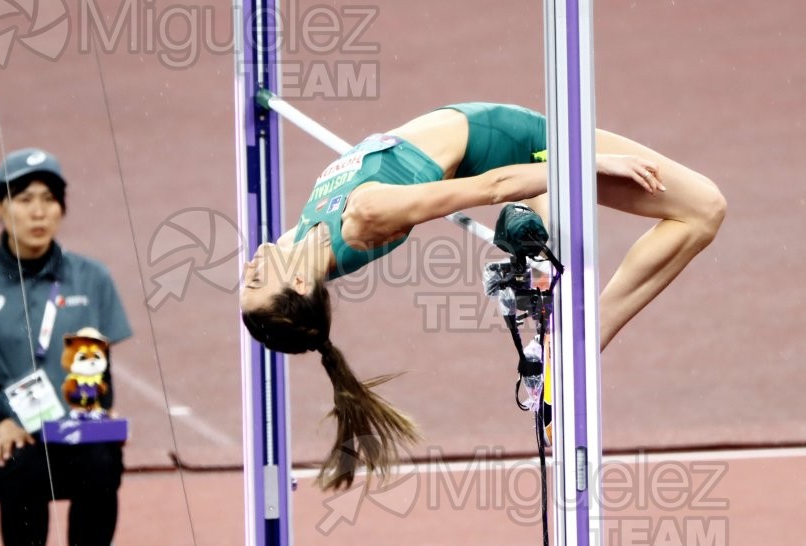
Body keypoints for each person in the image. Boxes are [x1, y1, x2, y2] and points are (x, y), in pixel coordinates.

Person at [240, 102, 726, 490]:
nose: (249, 268)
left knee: (553, 250)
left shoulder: (295, 244)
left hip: (498, 156)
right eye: (257, 281)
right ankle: (581, 345)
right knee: (703, 208)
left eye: (247, 280)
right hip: (519, 146)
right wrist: (588, 164)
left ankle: (569, 342)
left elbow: (287, 305)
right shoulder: (364, 217)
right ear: (300, 286)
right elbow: (493, 186)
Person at [0, 148, 133, 546]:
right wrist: (0, 425)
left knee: (103, 461)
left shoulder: (92, 278)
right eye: (24, 200)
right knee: (24, 466)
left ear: (61, 208)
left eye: (48, 200)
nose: (38, 213)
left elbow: (98, 367)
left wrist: (100, 414)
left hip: (66, 429)